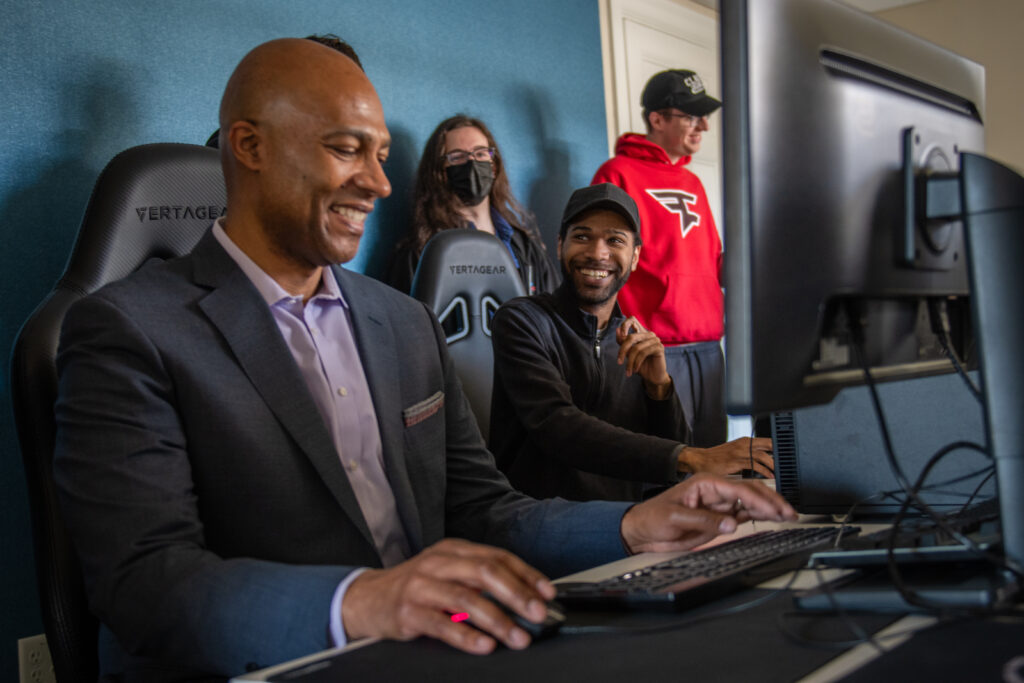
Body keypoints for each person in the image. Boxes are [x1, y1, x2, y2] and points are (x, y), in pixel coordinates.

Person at [53, 39, 796, 680]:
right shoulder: (128, 328)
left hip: (433, 650)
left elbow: (485, 511)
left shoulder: (403, 321)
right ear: (249, 147)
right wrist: (367, 599)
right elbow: (144, 584)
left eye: (379, 155)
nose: (378, 182)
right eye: (347, 149)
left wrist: (635, 525)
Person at [490, 183, 774, 502]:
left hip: (626, 525)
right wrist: (696, 457)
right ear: (559, 246)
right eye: (582, 236)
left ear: (635, 256)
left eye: (615, 240)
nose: (598, 253)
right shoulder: (521, 320)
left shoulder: (633, 340)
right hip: (539, 520)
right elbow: (557, 427)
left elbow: (672, 468)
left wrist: (659, 388)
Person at [592, 69, 727, 448]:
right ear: (657, 119)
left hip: (709, 346)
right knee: (669, 465)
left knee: (716, 462)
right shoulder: (616, 174)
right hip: (655, 347)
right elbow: (602, 264)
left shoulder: (693, 182)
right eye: (691, 116)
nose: (703, 126)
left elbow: (712, 262)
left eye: (704, 117)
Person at [386, 115, 558, 295]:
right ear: (440, 172)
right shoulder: (420, 251)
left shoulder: (526, 248)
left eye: (481, 153)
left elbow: (554, 314)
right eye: (458, 156)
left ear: (494, 167)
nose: (472, 162)